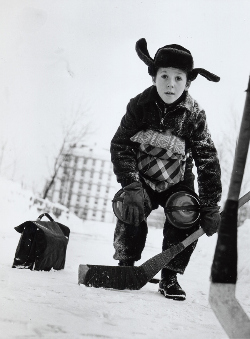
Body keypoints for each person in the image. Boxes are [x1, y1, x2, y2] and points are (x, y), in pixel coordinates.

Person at [110, 38, 222, 301]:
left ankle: (170, 275)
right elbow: (120, 144)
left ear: (187, 82)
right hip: (143, 178)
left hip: (177, 180)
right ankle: (126, 264)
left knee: (187, 214)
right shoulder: (138, 106)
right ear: (153, 78)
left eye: (178, 78)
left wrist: (209, 204)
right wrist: (131, 184)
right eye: (164, 76)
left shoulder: (194, 115)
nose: (171, 84)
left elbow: (207, 158)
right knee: (130, 207)